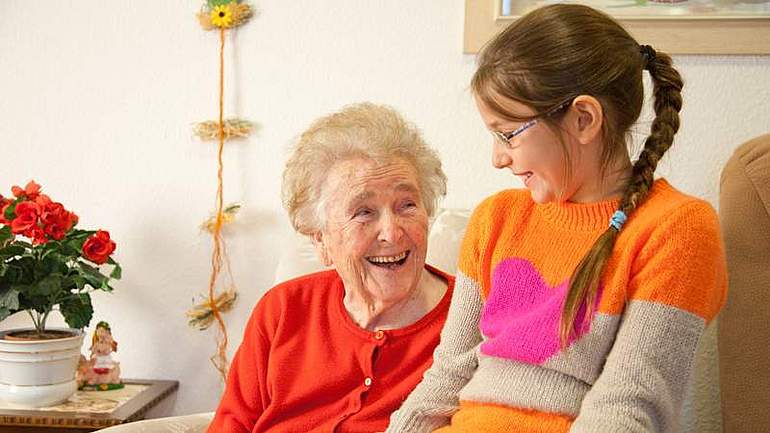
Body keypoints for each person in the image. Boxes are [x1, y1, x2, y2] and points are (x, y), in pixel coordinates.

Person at [386, 4, 727, 433]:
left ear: (584, 119)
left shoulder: (678, 230)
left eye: (507, 134)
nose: (497, 158)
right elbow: (445, 381)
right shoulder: (497, 219)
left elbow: (627, 409)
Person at [208, 102, 453, 433]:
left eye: (407, 205)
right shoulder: (282, 310)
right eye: (364, 212)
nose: (392, 232)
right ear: (319, 239)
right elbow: (231, 425)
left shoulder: (469, 322)